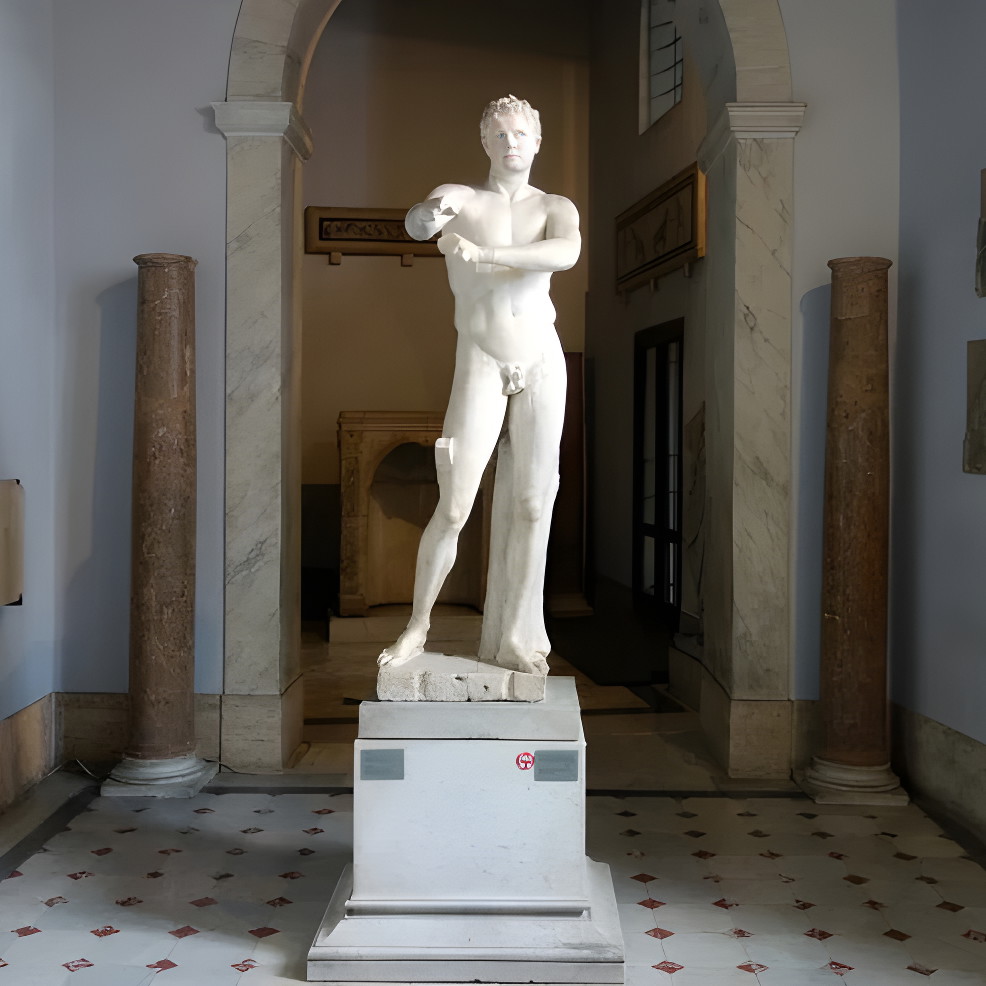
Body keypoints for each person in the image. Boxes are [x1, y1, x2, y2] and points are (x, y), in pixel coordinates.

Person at [378, 95, 581, 676]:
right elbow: (420, 223)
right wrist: (433, 214)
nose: (511, 143)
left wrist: (484, 254)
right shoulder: (463, 198)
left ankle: (516, 637)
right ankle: (417, 626)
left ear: (537, 142)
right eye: (500, 135)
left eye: (520, 133)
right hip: (483, 358)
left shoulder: (555, 207)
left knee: (533, 503)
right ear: (485, 143)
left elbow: (566, 253)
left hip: (541, 358)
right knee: (455, 505)